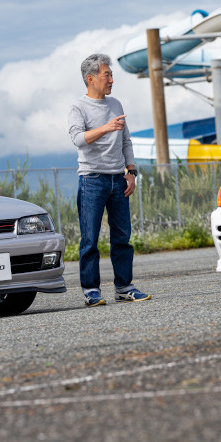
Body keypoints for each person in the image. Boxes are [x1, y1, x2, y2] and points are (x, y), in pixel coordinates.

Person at [67, 53, 153, 306]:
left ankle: (124, 287)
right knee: (90, 239)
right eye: (107, 75)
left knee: (122, 238)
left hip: (118, 180)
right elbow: (78, 139)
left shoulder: (116, 104)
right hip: (92, 180)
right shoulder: (78, 107)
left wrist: (131, 172)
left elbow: (126, 141)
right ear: (91, 78)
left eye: (112, 75)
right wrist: (106, 127)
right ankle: (91, 290)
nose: (112, 80)